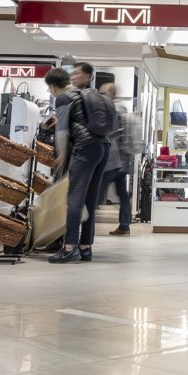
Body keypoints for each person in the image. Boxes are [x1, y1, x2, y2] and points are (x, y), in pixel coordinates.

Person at [44, 65, 110, 264]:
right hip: (103, 147)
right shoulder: (82, 94)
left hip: (86, 148)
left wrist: (62, 155)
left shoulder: (63, 98)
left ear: (53, 87)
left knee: (74, 198)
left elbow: (62, 131)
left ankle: (70, 247)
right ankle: (85, 247)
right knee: (89, 200)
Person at [98, 82, 133, 236]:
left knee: (96, 191)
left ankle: (83, 223)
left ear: (110, 94)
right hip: (123, 161)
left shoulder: (111, 110)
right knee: (123, 194)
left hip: (111, 160)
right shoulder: (123, 109)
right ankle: (124, 225)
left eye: (102, 93)